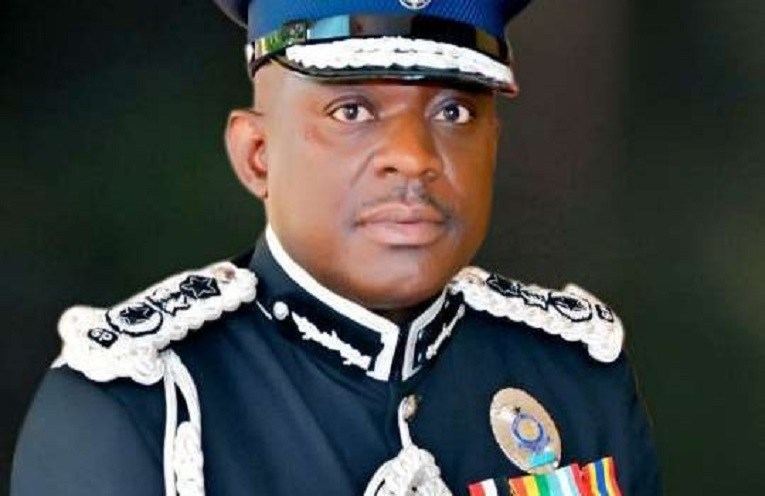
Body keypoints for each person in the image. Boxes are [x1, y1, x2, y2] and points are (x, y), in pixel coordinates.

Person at [11, 1, 662, 495]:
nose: (413, 157)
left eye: (454, 112)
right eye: (352, 111)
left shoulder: (576, 383)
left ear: (495, 144)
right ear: (257, 154)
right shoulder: (136, 408)